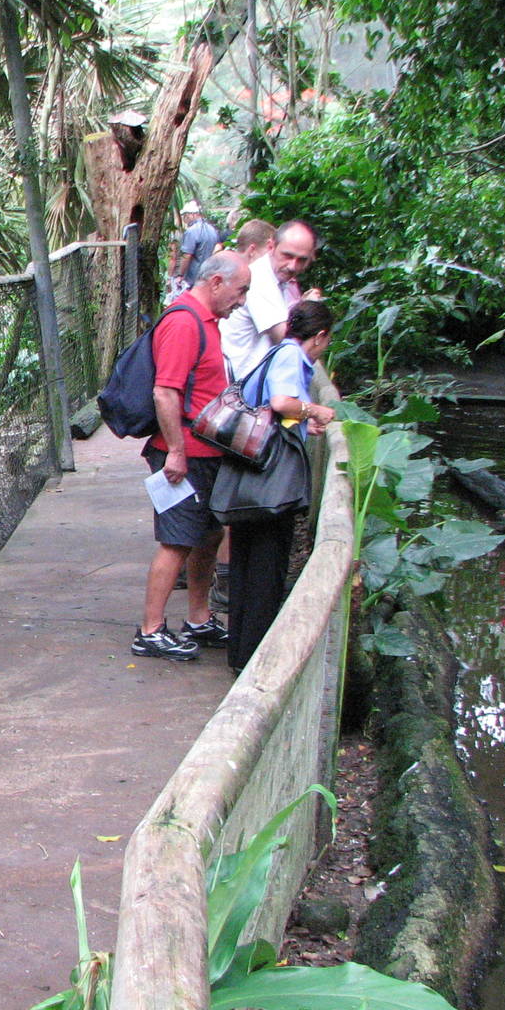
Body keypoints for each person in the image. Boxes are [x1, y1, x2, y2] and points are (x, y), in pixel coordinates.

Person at [134, 250, 252, 660]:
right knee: (177, 540)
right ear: (216, 282)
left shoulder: (208, 321)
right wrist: (177, 452)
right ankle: (150, 630)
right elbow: (165, 392)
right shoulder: (184, 322)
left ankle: (199, 619)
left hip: (207, 452)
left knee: (208, 535)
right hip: (182, 455)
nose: (242, 301)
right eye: (240, 290)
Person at [225, 299, 337, 674]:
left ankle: (241, 653)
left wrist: (304, 424)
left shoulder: (278, 352)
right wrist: (315, 410)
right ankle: (255, 657)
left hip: (252, 475)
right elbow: (280, 402)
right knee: (266, 567)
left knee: (246, 564)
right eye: (327, 341)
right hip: (269, 482)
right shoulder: (291, 356)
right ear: (319, 336)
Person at [223, 220, 317, 380]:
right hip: (241, 385)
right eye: (287, 256)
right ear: (271, 246)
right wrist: (313, 311)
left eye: (301, 260)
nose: (293, 266)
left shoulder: (279, 279)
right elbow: (289, 342)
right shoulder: (259, 279)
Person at [168, 201, 220, 301]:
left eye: (185, 215)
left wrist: (180, 275)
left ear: (192, 214)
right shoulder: (212, 230)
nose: (184, 219)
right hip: (208, 275)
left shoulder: (191, 231)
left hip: (193, 278)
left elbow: (187, 256)